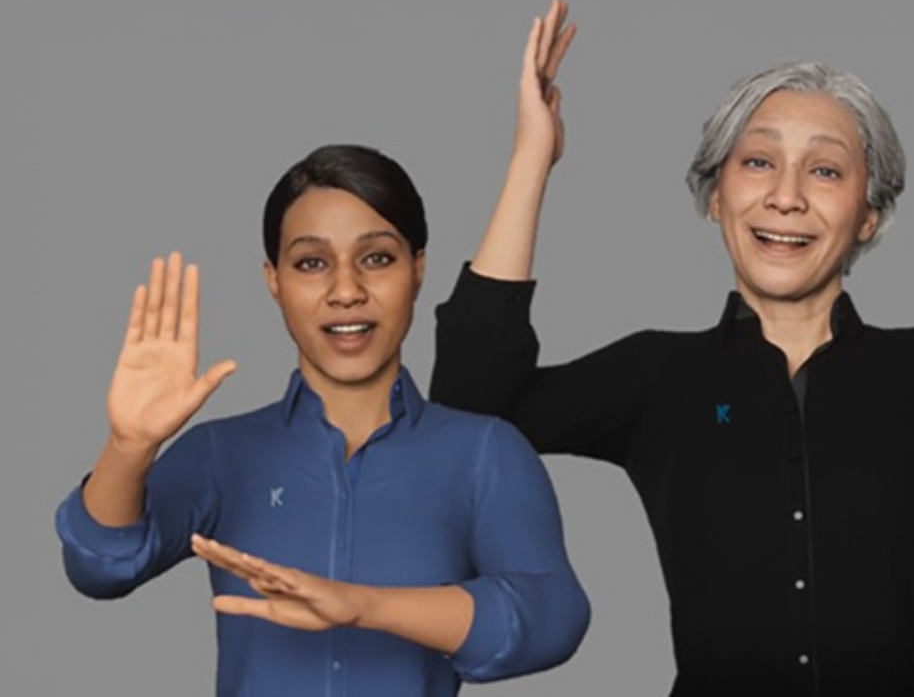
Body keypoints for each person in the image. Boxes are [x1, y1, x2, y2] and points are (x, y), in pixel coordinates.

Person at [430, 1, 914, 696]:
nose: (786, 196)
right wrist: (532, 160)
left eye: (826, 170)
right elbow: (469, 415)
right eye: (757, 163)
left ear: (870, 215)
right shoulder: (657, 375)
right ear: (715, 196)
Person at [54, 144, 591, 696]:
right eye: (312, 263)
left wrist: (362, 606)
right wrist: (128, 445)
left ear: (418, 269)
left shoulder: (483, 451)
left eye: (377, 258)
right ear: (273, 281)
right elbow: (101, 568)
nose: (346, 291)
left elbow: (551, 618)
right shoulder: (222, 452)